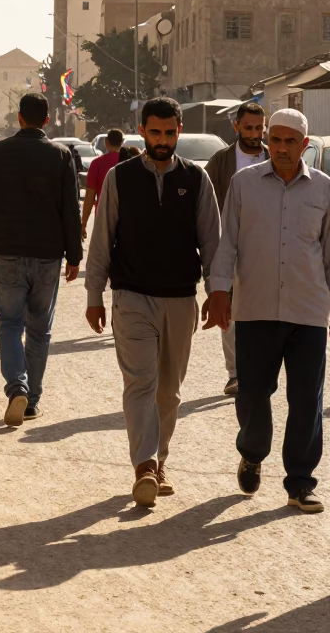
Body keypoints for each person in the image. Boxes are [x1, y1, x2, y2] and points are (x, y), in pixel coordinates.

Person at [206, 108, 330, 514]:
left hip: (308, 311)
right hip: (255, 310)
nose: (282, 148)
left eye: (291, 141)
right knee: (252, 393)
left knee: (306, 400)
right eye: (276, 140)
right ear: (267, 141)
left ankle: (300, 482)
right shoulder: (244, 183)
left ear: (305, 144)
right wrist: (219, 290)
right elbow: (227, 241)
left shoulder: (323, 187)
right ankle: (252, 452)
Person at [85, 98, 221, 505]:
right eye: (155, 132)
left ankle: (160, 462)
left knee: (169, 391)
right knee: (140, 382)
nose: (163, 140)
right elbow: (101, 238)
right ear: (141, 131)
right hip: (131, 297)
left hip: (180, 300)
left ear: (179, 131)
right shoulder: (120, 178)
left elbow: (211, 243)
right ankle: (144, 465)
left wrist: (217, 292)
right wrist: (94, 295)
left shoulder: (197, 180)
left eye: (170, 132)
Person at [0, 93, 82, 427]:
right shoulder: (60, 156)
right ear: (46, 120)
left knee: (9, 323)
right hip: (48, 254)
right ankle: (31, 400)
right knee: (39, 330)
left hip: (6, 251)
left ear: (19, 118)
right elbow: (69, 209)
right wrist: (74, 256)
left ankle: (16, 385)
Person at [202, 101, 267, 396]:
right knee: (228, 310)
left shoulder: (274, 157)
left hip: (268, 251)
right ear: (236, 127)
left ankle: (261, 369)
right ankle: (235, 373)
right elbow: (205, 206)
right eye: (248, 127)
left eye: (258, 127)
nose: (254, 133)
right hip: (229, 248)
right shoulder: (220, 162)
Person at [80, 128, 123, 239]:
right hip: (127, 216)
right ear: (122, 142)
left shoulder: (96, 164)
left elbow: (90, 195)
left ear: (106, 142)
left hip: (103, 217)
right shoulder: (129, 162)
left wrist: (84, 223)